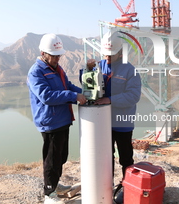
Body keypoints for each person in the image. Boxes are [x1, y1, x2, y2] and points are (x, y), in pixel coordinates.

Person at [27, 33, 87, 204]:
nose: (56, 58)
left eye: (58, 55)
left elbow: (67, 86)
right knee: (52, 160)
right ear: (43, 53)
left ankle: (55, 185)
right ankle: (49, 193)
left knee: (61, 156)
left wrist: (82, 93)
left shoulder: (57, 69)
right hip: (50, 122)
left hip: (63, 119)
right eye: (53, 55)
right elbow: (46, 96)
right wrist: (74, 96)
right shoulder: (36, 72)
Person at [87, 30, 141, 179]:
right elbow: (87, 83)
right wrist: (87, 70)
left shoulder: (130, 71)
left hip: (122, 123)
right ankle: (106, 188)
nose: (107, 58)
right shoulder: (100, 66)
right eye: (105, 54)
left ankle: (128, 187)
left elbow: (133, 96)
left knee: (126, 158)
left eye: (111, 55)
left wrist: (110, 100)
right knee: (105, 158)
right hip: (103, 122)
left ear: (121, 52)